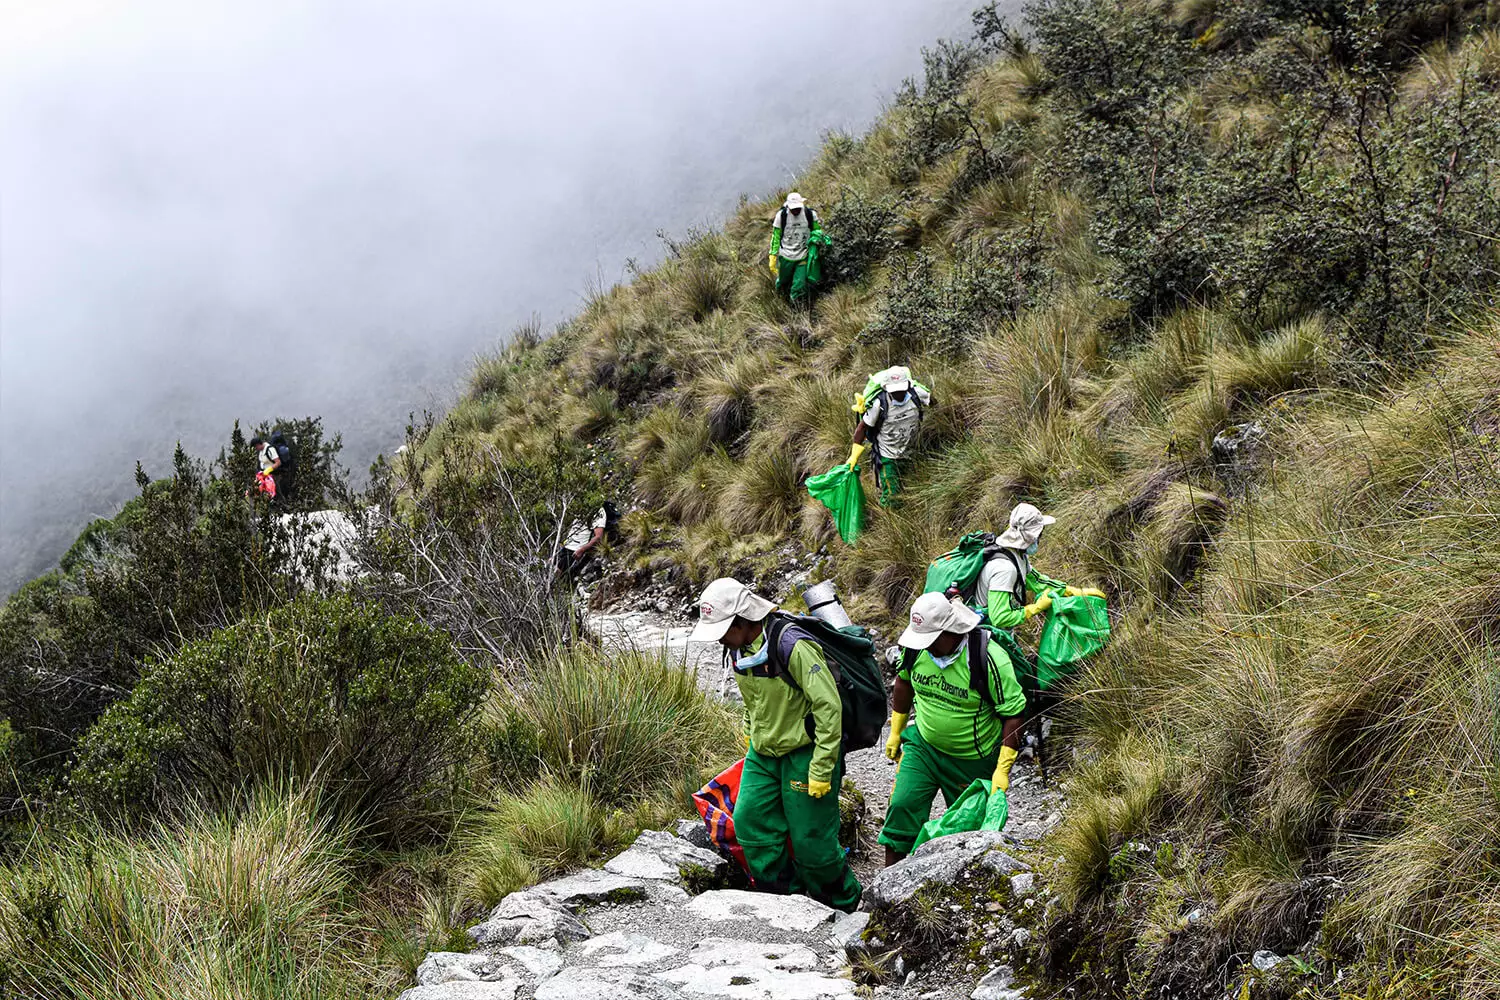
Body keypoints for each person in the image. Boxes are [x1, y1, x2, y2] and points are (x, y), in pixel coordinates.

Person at [690, 577, 862, 911]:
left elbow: (828, 706)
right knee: (750, 823)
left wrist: (823, 766)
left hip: (806, 753)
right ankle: (786, 900)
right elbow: (753, 699)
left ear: (743, 620)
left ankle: (846, 906)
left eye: (724, 629)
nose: (720, 639)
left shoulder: (792, 645)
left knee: (812, 842)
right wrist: (750, 731)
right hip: (763, 753)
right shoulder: (738, 648)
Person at [877, 592, 1028, 867]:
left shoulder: (989, 658)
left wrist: (1001, 770)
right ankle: (887, 885)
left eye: (932, 640)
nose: (927, 646)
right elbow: (903, 682)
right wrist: (896, 731)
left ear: (951, 631)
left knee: (966, 831)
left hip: (971, 759)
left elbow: (1014, 714)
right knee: (901, 806)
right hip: (923, 747)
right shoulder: (916, 649)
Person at [975, 502, 1102, 631]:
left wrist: (1070, 591)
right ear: (1031, 537)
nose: (1040, 539)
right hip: (985, 636)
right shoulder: (1005, 569)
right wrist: (1036, 608)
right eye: (1039, 535)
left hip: (998, 632)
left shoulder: (1016, 555)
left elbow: (1037, 581)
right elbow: (1000, 618)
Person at [848, 366, 932, 507]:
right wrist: (854, 456)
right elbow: (862, 427)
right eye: (894, 391)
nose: (898, 393)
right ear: (886, 388)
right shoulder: (878, 404)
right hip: (887, 456)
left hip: (911, 452)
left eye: (901, 389)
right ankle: (887, 519)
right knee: (893, 496)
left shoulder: (918, 394)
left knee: (911, 487)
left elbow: (935, 404)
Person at [768, 192, 822, 305]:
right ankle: (781, 299)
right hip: (785, 256)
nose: (796, 211)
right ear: (788, 206)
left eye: (798, 208)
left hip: (803, 255)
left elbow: (816, 231)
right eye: (793, 208)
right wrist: (773, 255)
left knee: (799, 285)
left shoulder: (810, 214)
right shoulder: (781, 216)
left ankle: (796, 308)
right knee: (783, 282)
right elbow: (776, 236)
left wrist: (817, 239)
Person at [554, 502, 617, 583]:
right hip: (567, 546)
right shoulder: (582, 506)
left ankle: (556, 591)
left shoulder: (598, 512)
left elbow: (598, 537)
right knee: (550, 565)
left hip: (576, 550)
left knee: (557, 575)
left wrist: (582, 550)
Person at [250, 436, 281, 503]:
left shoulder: (270, 449)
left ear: (258, 444)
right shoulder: (261, 451)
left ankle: (284, 508)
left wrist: (269, 469)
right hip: (264, 476)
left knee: (276, 492)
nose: (256, 449)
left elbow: (278, 462)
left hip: (273, 475)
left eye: (256, 447)